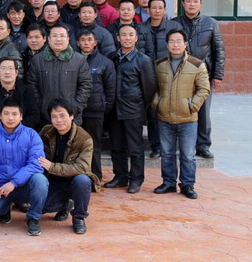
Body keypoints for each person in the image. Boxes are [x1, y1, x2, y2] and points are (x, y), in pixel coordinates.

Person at [0, 98, 48, 236]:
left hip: (24, 185)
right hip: (0, 186)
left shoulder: (32, 135)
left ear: (21, 116)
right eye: (6, 113)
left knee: (40, 180)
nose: (10, 118)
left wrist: (14, 182)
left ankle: (33, 218)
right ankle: (4, 208)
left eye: (14, 114)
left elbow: (36, 163)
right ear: (0, 116)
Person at [152, 30, 210, 200]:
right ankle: (168, 182)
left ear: (185, 44)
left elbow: (204, 89)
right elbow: (153, 87)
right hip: (165, 117)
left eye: (178, 41)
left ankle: (187, 185)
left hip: (187, 119)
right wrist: (157, 103)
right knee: (167, 153)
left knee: (188, 155)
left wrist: (192, 106)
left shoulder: (197, 64)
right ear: (167, 44)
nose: (175, 45)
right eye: (172, 41)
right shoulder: (160, 64)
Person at [105, 24, 157, 194]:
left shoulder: (143, 60)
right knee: (117, 145)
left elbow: (149, 88)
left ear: (136, 38)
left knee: (135, 147)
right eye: (123, 35)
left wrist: (139, 104)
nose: (127, 38)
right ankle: (120, 176)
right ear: (118, 38)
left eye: (130, 35)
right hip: (114, 110)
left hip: (133, 109)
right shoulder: (112, 57)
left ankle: (136, 179)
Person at [174, 0, 225, 159]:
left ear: (200, 4)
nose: (192, 4)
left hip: (203, 74)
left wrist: (217, 75)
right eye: (188, 1)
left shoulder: (211, 23)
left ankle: (203, 145)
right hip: (180, 74)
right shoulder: (174, 23)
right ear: (183, 3)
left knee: (203, 112)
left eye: (195, 1)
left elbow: (219, 50)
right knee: (181, 109)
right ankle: (182, 144)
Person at [38, 99, 100, 235]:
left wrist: (53, 167)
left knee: (83, 180)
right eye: (54, 116)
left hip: (72, 182)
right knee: (40, 208)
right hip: (52, 181)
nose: (58, 120)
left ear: (71, 116)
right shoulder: (46, 132)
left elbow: (82, 167)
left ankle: (79, 217)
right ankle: (65, 205)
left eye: (62, 115)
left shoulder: (84, 138)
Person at [137, 0, 183, 158]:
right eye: (153, 8)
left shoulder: (174, 27)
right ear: (148, 10)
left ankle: (169, 147)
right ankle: (155, 146)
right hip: (148, 75)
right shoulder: (140, 28)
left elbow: (181, 49)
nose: (157, 11)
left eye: (160, 8)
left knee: (168, 111)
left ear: (165, 10)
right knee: (152, 112)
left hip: (169, 74)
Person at [26, 24, 92, 126]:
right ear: (49, 39)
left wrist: (76, 107)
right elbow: (32, 85)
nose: (58, 39)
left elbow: (86, 85)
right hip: (45, 117)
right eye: (55, 36)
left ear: (68, 39)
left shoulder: (79, 60)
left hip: (71, 116)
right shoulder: (38, 60)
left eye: (62, 36)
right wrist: (41, 105)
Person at [76, 30, 116, 181]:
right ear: (78, 43)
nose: (86, 43)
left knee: (94, 146)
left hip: (95, 111)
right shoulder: (74, 60)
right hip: (77, 111)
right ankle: (79, 177)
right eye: (83, 40)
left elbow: (111, 89)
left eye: (89, 40)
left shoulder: (105, 62)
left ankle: (95, 177)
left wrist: (104, 107)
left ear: (95, 43)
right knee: (77, 146)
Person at [0, 58, 40, 135]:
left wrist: (16, 128)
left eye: (10, 68)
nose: (7, 72)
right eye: (3, 68)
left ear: (16, 72)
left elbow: (34, 115)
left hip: (22, 134)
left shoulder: (27, 91)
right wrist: (3, 128)